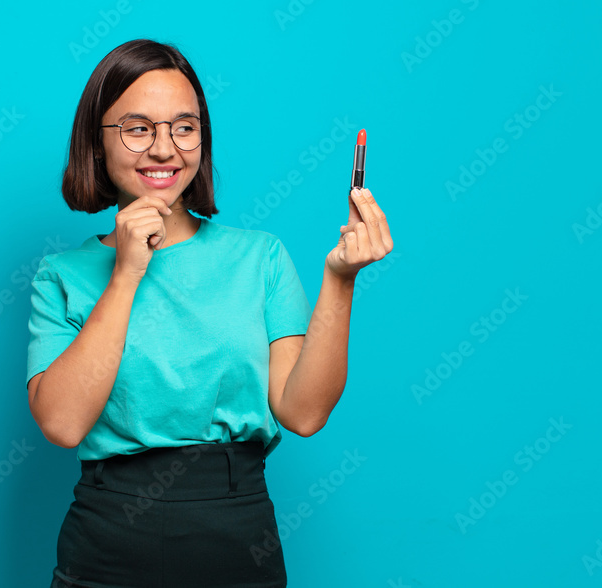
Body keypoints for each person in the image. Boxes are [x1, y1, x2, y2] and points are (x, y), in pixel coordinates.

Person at [26, 39, 392, 588]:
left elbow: (304, 413)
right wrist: (126, 273)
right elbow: (62, 422)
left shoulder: (259, 257)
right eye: (137, 127)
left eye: (184, 126)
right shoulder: (62, 275)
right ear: (97, 144)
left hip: (237, 531)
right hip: (107, 539)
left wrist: (340, 280)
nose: (164, 149)